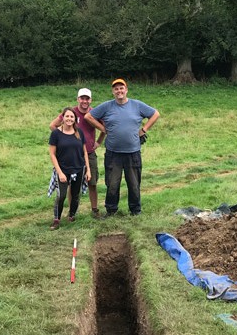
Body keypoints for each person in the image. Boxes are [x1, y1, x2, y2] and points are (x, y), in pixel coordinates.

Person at [85, 78, 160, 216]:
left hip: (133, 152)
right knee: (112, 184)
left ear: (126, 90)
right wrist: (103, 128)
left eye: (121, 88)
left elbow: (155, 114)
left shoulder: (136, 105)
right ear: (113, 92)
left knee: (134, 184)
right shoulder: (107, 106)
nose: (119, 91)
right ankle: (111, 210)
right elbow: (88, 117)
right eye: (116, 89)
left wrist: (144, 130)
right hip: (113, 153)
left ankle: (135, 211)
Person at [49, 88, 105, 218]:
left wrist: (98, 142)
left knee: (92, 182)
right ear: (78, 99)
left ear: (90, 100)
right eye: (82, 98)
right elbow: (53, 126)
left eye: (87, 98)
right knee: (70, 184)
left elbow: (104, 129)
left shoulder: (94, 113)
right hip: (71, 155)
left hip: (88, 153)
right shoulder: (71, 113)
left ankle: (95, 210)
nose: (84, 101)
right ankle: (71, 212)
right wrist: (63, 139)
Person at [48, 107, 91, 230]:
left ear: (75, 119)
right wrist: (60, 172)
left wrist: (88, 169)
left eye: (72, 117)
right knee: (61, 195)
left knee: (75, 194)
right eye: (67, 116)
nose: (69, 119)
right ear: (63, 118)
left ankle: (72, 215)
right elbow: (52, 154)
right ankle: (56, 219)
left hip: (79, 168)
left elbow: (84, 152)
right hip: (63, 169)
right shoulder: (56, 133)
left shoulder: (79, 133)